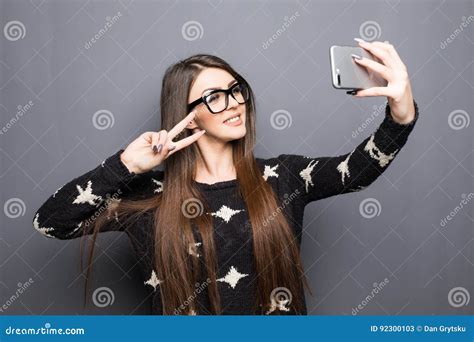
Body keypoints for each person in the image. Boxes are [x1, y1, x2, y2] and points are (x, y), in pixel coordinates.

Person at [33, 40, 419, 315]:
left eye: (236, 90)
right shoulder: (150, 195)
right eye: (214, 97)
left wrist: (400, 115)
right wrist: (127, 165)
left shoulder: (283, 177)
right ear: (185, 114)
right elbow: (51, 223)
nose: (234, 103)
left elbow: (359, 172)